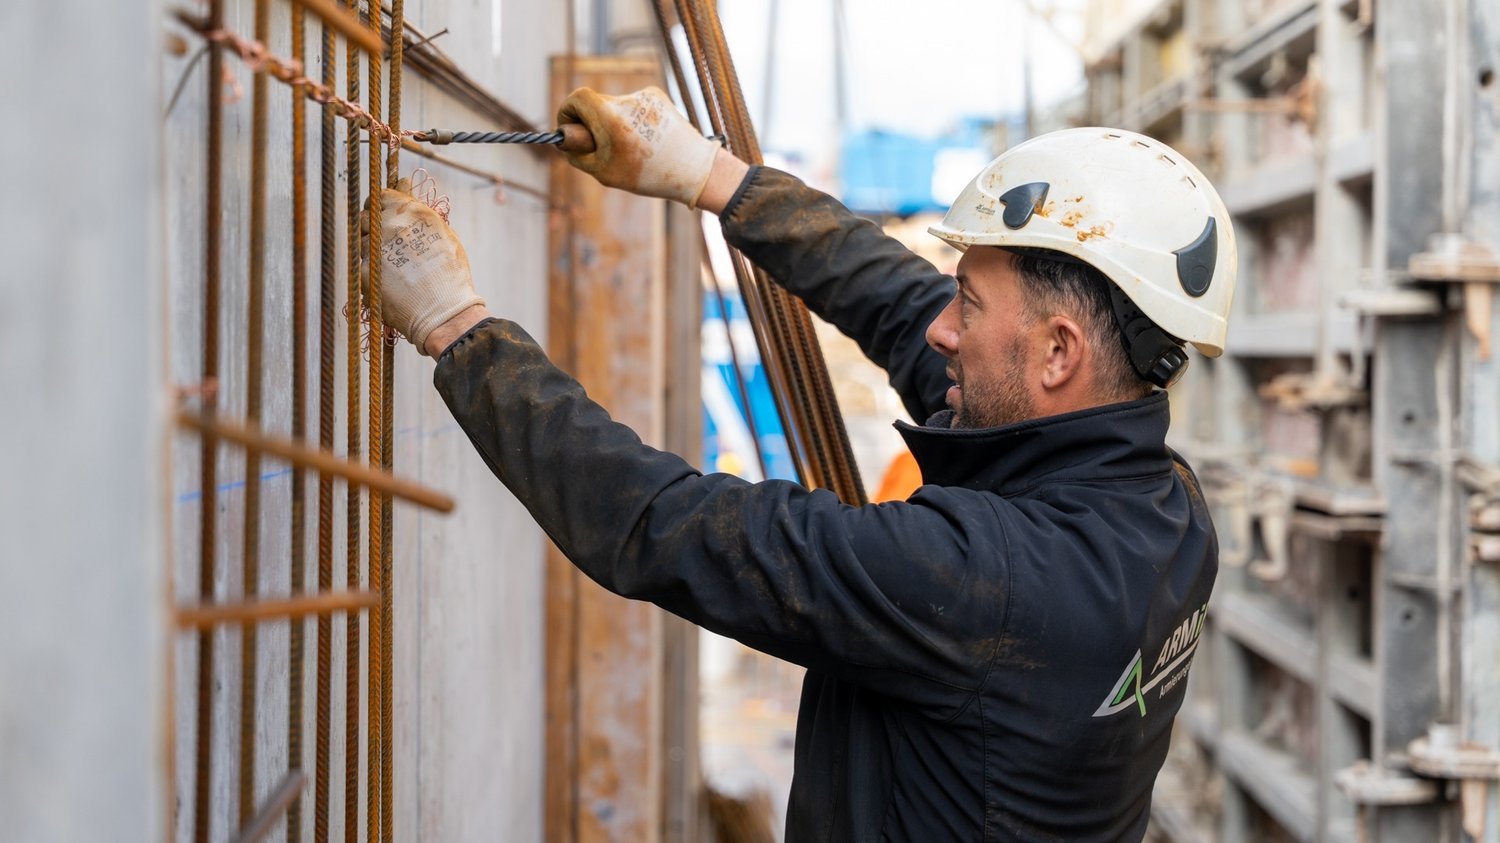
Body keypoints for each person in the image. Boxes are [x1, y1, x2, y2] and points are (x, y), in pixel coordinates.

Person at [371, 86, 1236, 841]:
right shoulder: (1167, 505)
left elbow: (671, 528)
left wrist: (459, 331)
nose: (942, 331)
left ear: (1058, 352)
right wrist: (707, 175)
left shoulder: (992, 581)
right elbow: (898, 303)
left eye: (966, 306)